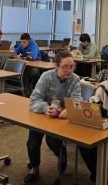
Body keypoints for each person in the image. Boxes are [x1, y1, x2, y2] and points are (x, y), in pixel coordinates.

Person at [24, 50, 82, 184]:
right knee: (33, 144)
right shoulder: (46, 76)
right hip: (43, 116)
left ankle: (61, 154)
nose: (69, 70)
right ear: (56, 65)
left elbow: (77, 102)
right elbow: (34, 100)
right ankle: (34, 168)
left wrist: (69, 109)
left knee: (53, 141)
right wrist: (45, 108)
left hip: (61, 120)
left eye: (71, 66)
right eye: (65, 67)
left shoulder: (75, 79)